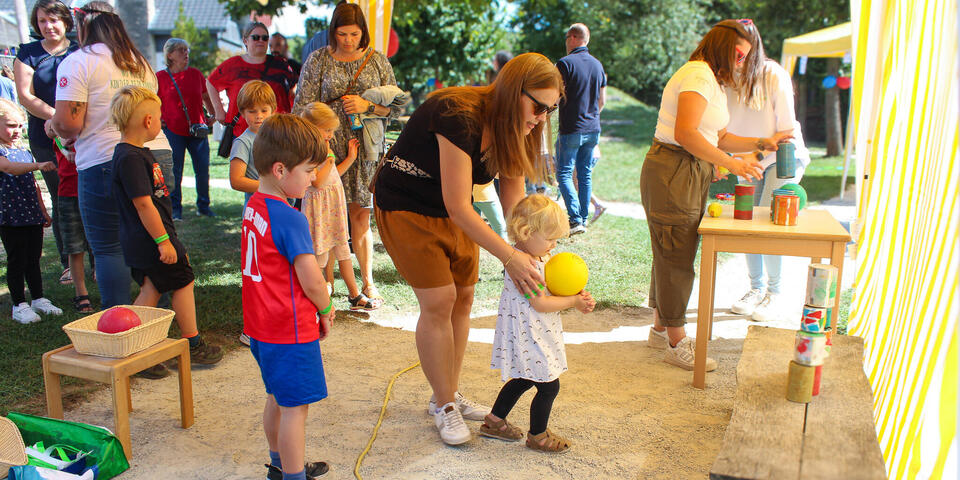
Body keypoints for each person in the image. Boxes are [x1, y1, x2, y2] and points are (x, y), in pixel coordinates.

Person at [372, 52, 562, 445]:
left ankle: (448, 393)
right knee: (439, 300)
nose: (541, 118)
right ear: (513, 91)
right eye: (538, 106)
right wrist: (509, 257)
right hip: (405, 203)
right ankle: (443, 404)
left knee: (464, 296)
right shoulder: (458, 114)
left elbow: (513, 192)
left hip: (448, 209)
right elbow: (460, 205)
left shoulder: (518, 127)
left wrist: (525, 245)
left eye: (550, 110)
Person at [641, 19, 790, 371]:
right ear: (721, 46)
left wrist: (758, 143)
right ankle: (677, 341)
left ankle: (662, 329)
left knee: (672, 249)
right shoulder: (697, 75)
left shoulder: (712, 81)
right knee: (676, 253)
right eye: (738, 55)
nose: (741, 63)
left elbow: (718, 137)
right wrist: (733, 165)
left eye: (745, 58)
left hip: (683, 171)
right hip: (674, 169)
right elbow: (688, 133)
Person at [49, 1, 174, 309]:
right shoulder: (140, 62)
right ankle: (167, 320)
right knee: (158, 238)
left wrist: (53, 126)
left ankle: (118, 330)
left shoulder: (78, 61)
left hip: (105, 160)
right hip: (157, 155)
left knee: (108, 249)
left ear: (83, 27)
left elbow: (68, 123)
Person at [241, 114, 334, 480]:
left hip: (261, 327)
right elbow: (312, 280)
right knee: (296, 409)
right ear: (281, 170)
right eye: (309, 170)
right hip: (289, 329)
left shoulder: (254, 205)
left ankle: (280, 465)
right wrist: (326, 307)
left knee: (277, 397)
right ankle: (294, 476)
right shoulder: (290, 217)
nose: (313, 178)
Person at [109, 86, 223, 378]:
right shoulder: (131, 158)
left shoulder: (133, 153)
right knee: (183, 279)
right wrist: (163, 241)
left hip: (146, 238)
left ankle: (132, 351)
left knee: (152, 288)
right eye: (159, 117)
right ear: (148, 121)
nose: (162, 121)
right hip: (151, 239)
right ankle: (191, 341)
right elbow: (144, 204)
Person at [294, 1, 402, 307]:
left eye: (354, 34)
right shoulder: (317, 60)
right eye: (342, 34)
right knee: (326, 217)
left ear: (362, 32)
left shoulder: (378, 61)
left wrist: (368, 106)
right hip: (325, 148)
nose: (348, 40)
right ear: (333, 32)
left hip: (365, 148)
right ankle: (326, 282)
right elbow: (301, 106)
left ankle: (368, 282)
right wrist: (326, 116)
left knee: (360, 214)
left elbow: (397, 106)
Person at [481, 194, 595, 453]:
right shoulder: (527, 266)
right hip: (529, 334)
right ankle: (538, 436)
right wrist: (572, 302)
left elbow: (549, 292)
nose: (553, 245)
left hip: (532, 331)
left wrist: (573, 294)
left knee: (523, 378)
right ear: (525, 232)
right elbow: (540, 303)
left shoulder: (531, 257)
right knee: (548, 385)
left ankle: (494, 422)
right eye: (550, 238)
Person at [726, 21, 811, 321]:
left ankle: (773, 293)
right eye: (730, 43)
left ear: (753, 43)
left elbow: (786, 131)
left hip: (781, 157)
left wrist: (754, 154)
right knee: (748, 222)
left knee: (769, 220)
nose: (736, 50)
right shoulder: (722, 79)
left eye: (741, 43)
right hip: (745, 159)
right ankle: (755, 288)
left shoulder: (772, 73)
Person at [13, 0, 79, 283]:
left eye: (53, 20)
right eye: (42, 21)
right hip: (46, 137)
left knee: (88, 196)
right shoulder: (28, 53)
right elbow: (26, 96)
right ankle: (68, 262)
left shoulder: (79, 51)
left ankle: (97, 258)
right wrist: (57, 119)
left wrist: (70, 123)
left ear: (65, 21)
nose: (48, 26)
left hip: (82, 134)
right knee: (61, 198)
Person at [299, 102, 378, 310]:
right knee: (320, 256)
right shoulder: (310, 151)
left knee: (343, 250)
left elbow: (333, 176)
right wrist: (330, 159)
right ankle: (313, 299)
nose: (330, 135)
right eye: (326, 130)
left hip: (333, 206)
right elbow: (317, 181)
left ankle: (354, 294)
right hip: (320, 209)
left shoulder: (324, 149)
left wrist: (350, 158)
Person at [1, 98, 62, 323]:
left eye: (19, 125)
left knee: (33, 258)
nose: (17, 131)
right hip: (9, 216)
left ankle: (38, 298)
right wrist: (38, 165)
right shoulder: (2, 153)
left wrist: (43, 211)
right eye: (10, 125)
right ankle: (19, 304)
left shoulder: (24, 151)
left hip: (30, 213)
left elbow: (33, 184)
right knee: (17, 259)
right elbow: (9, 168)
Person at [555, 23, 606, 236]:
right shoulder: (597, 65)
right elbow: (601, 101)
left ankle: (575, 219)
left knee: (564, 173)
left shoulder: (565, 64)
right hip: (593, 128)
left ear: (574, 37)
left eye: (567, 37)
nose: (566, 42)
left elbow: (555, 96)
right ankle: (583, 218)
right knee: (584, 174)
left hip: (571, 128)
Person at [157, 38, 216, 219]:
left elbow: (207, 96)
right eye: (181, 50)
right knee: (174, 171)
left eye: (187, 50)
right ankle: (175, 210)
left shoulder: (196, 74)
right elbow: (152, 101)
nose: (186, 53)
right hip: (173, 130)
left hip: (197, 129)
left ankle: (204, 207)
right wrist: (158, 119)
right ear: (170, 55)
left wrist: (212, 115)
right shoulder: (160, 77)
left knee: (202, 169)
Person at [207, 22, 297, 141]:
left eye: (265, 38)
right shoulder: (233, 65)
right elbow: (211, 83)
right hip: (243, 133)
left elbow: (294, 88)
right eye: (255, 37)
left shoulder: (281, 64)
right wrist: (219, 111)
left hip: (277, 132)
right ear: (245, 40)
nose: (261, 41)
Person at [54, 135, 94, 313]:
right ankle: (81, 293)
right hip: (69, 192)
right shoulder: (59, 130)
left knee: (102, 242)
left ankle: (105, 281)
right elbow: (53, 131)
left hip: (95, 189)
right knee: (74, 246)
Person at [228, 80, 276, 207]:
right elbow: (236, 181)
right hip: (259, 210)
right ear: (243, 112)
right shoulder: (243, 142)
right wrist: (272, 187)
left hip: (283, 207)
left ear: (273, 109)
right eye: (252, 111)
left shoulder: (280, 136)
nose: (259, 116)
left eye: (264, 110)